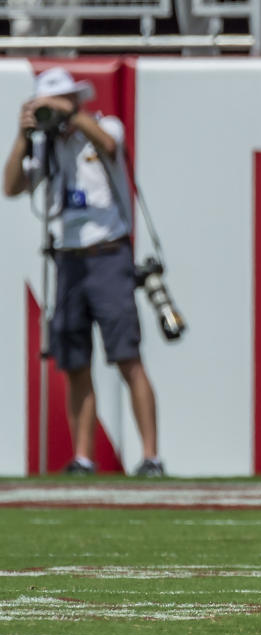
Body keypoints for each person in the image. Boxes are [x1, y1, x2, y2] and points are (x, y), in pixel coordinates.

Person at [2, 67, 164, 478]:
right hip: (68, 260)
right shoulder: (47, 147)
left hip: (108, 254)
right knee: (75, 362)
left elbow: (109, 143)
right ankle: (84, 457)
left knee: (127, 356)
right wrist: (25, 135)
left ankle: (151, 456)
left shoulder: (104, 125)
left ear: (76, 101)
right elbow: (11, 186)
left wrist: (69, 115)